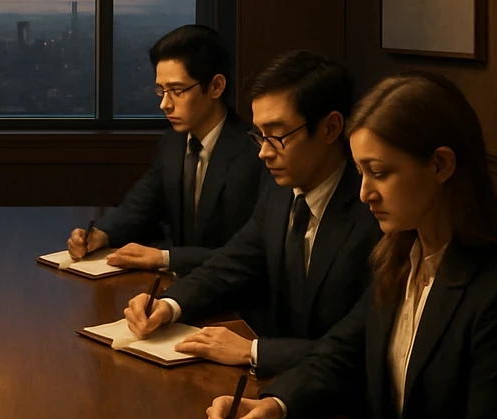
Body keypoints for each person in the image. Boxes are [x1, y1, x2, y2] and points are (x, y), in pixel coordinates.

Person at [203, 72, 497, 419]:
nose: (364, 193)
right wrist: (272, 405)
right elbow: (341, 353)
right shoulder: (399, 251)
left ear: (441, 165)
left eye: (380, 172)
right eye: (360, 172)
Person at [125, 50, 380, 378]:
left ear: (331, 128)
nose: (263, 151)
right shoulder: (280, 191)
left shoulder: (374, 211)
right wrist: (169, 305)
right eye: (259, 135)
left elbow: (363, 347)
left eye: (277, 135)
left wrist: (254, 351)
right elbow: (234, 262)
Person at [67, 25, 265, 276]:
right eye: (160, 91)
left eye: (177, 91)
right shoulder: (173, 142)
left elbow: (244, 253)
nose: (164, 104)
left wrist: (165, 258)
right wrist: (100, 235)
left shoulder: (253, 154)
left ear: (216, 86)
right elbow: (141, 206)